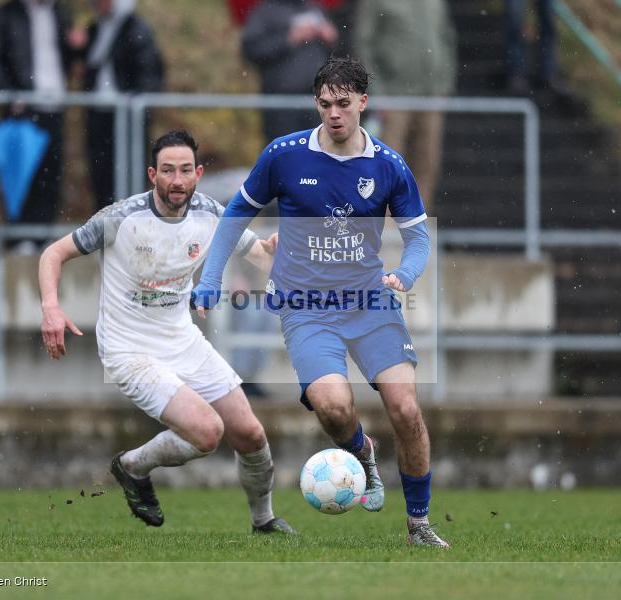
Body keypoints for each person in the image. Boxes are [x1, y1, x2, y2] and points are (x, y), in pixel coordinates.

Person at [192, 57, 448, 547]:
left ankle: (418, 523)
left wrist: (406, 274)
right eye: (326, 104)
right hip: (306, 308)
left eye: (344, 104)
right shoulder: (285, 155)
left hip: (370, 304)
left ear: (363, 103)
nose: (334, 114)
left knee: (406, 409)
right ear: (317, 103)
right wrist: (211, 278)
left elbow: (418, 239)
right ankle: (363, 454)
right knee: (333, 407)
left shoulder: (388, 166)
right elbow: (234, 217)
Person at [38, 130, 294, 534]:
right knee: (208, 432)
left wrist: (276, 251)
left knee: (250, 432)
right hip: (128, 350)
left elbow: (260, 257)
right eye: (169, 171)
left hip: (183, 341)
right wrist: (51, 308)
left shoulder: (211, 213)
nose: (178, 180)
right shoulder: (121, 219)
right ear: (153, 174)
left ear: (199, 173)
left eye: (186, 170)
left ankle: (263, 521)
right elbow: (54, 253)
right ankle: (132, 466)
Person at [0, 0, 77, 246]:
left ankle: (42, 235)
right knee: (22, 174)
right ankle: (20, 235)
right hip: (24, 107)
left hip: (55, 105)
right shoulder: (6, 15)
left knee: (51, 172)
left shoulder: (60, 14)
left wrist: (78, 47)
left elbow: (70, 55)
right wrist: (9, 94)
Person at [355, 0, 456, 209]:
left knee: (427, 165)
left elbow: (447, 38)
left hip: (431, 96)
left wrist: (443, 86)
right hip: (393, 96)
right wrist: (377, 92)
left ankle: (418, 227)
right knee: (388, 168)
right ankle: (389, 234)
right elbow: (363, 43)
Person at [82, 0, 164, 210]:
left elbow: (150, 71)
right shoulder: (95, 28)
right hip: (99, 111)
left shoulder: (135, 29)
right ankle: (104, 225)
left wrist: (135, 99)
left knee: (130, 171)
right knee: (101, 172)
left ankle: (131, 224)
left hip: (128, 115)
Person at [241, 0, 339, 142]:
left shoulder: (315, 8)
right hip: (281, 102)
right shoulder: (264, 11)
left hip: (318, 100)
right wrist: (288, 39)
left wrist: (330, 37)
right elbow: (250, 50)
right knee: (283, 154)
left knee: (320, 153)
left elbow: (338, 49)